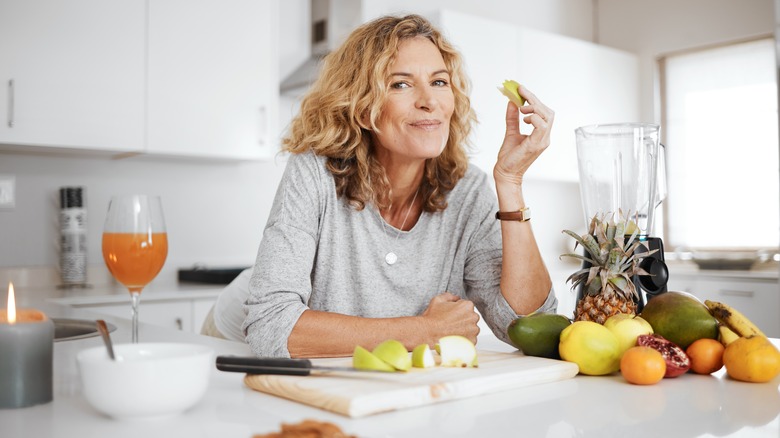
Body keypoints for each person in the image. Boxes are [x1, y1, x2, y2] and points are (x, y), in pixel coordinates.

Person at [240, 14, 556, 358]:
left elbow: (532, 327)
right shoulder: (314, 173)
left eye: (439, 82)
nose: (429, 101)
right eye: (400, 84)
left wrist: (510, 183)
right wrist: (425, 330)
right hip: (231, 337)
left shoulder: (468, 192)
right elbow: (269, 326)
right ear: (362, 109)